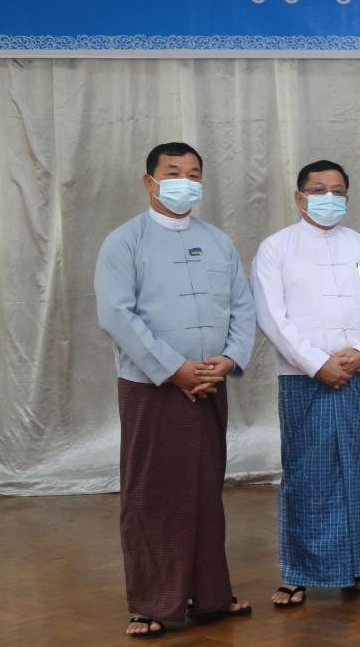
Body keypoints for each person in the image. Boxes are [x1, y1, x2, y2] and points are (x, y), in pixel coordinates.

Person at [95, 142, 256, 638]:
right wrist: (173, 369)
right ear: (150, 182)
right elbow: (116, 315)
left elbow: (243, 306)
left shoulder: (218, 241)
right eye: (173, 173)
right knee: (153, 493)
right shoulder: (124, 242)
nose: (185, 182)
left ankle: (210, 596)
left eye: (194, 174)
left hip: (210, 383)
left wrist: (230, 358)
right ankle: (151, 602)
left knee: (206, 490)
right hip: (153, 387)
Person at [251, 160, 360, 607]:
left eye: (337, 190)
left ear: (348, 198)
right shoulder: (276, 248)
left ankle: (354, 567)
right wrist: (317, 363)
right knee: (305, 473)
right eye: (318, 189)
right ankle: (297, 573)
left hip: (357, 373)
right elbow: (272, 315)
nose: (328, 197)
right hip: (303, 376)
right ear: (300, 197)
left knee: (354, 471)